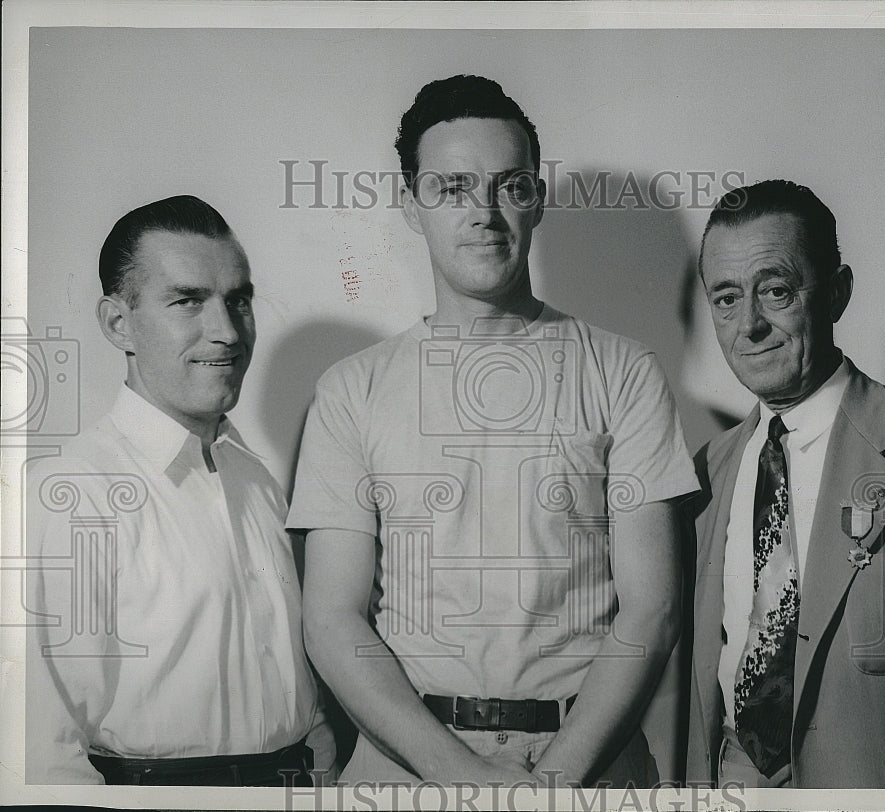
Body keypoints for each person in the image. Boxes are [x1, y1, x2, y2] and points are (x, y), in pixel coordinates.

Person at [288, 75, 699, 788]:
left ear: (536, 198)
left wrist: (554, 781)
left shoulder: (624, 371)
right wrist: (466, 778)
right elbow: (331, 620)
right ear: (412, 204)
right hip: (405, 767)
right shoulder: (351, 390)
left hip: (590, 765)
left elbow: (652, 607)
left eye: (508, 185)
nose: (483, 212)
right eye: (452, 188)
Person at [26, 195, 335, 785]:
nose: (226, 331)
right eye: (187, 301)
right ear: (119, 324)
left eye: (238, 300)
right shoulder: (67, 496)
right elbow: (41, 756)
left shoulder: (259, 483)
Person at [686, 179, 885, 788]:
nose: (750, 325)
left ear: (837, 293)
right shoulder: (707, 471)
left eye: (777, 291)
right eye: (727, 299)